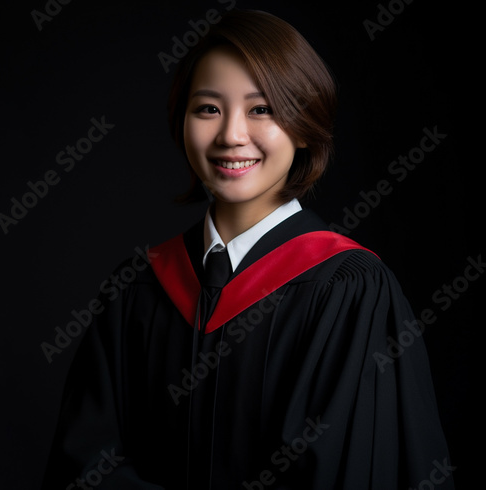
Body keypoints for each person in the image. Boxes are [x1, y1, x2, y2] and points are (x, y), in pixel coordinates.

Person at [41, 9, 453, 490]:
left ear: (304, 126)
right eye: (208, 109)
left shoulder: (350, 291)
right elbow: (85, 467)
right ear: (181, 123)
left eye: (262, 109)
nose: (231, 136)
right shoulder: (136, 289)